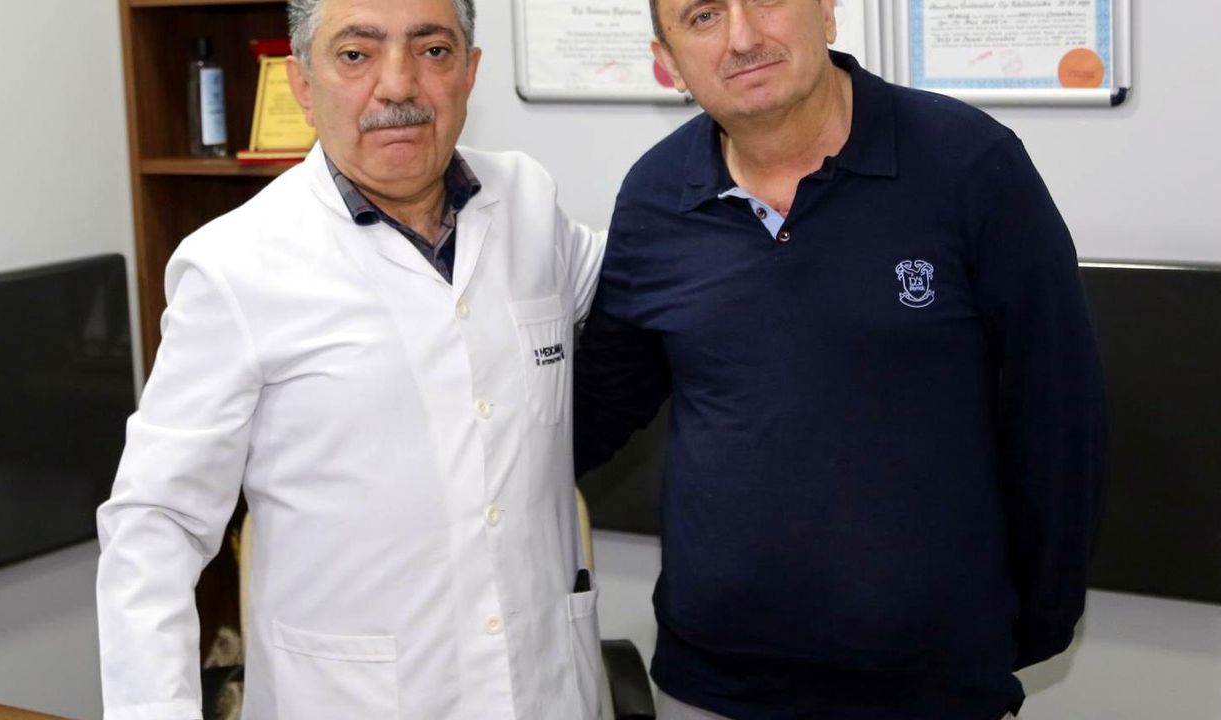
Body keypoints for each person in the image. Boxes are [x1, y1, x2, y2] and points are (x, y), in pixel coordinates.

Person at [574, 1, 1107, 719]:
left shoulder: (970, 164)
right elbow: (599, 407)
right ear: (666, 62)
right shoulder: (656, 196)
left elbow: (1060, 412)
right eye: (702, 16)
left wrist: (1020, 626)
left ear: (826, 11)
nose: (742, 37)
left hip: (928, 685)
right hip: (713, 682)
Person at [96, 0, 605, 718]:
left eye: (432, 50)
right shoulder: (233, 266)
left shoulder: (527, 200)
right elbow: (155, 524)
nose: (397, 85)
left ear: (469, 73)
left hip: (546, 690)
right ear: (303, 84)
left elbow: (660, 272)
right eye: (356, 54)